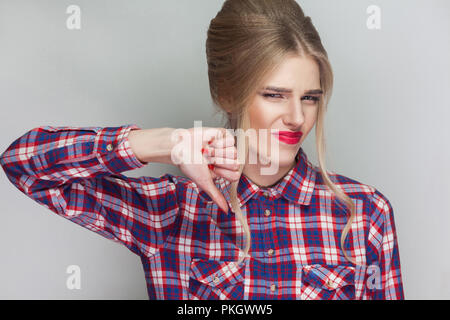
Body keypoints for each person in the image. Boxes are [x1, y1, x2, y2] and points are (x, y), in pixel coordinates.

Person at [0, 0, 404, 299]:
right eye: (275, 95)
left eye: (311, 98)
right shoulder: (170, 211)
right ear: (229, 95)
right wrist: (165, 143)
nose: (297, 117)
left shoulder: (364, 214)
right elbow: (24, 163)